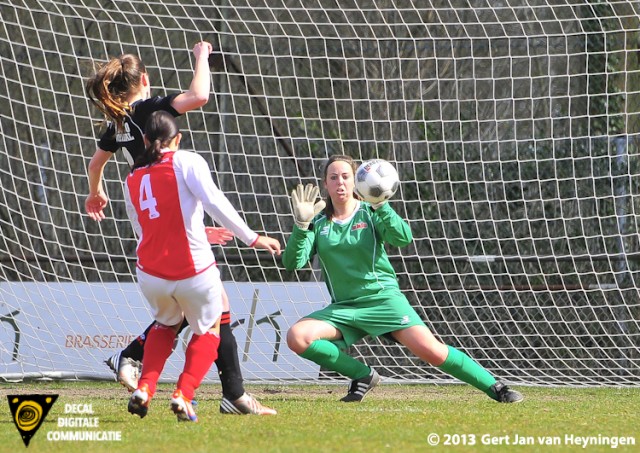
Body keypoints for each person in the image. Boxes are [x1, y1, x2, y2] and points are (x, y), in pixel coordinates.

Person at [85, 43, 277, 415]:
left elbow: (96, 164)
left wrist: (95, 194)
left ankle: (220, 391)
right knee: (210, 312)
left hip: (149, 216)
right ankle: (221, 394)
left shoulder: (118, 124)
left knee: (186, 312)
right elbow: (200, 95)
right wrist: (202, 56)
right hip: (172, 206)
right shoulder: (148, 111)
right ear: (144, 79)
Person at [282, 155, 523, 404]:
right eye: (333, 178)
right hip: (344, 308)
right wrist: (301, 226)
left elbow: (403, 237)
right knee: (298, 337)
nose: (340, 183)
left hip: (383, 300)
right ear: (325, 184)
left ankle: (496, 387)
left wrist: (382, 206)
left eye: (346, 177)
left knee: (431, 351)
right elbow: (292, 263)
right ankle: (363, 376)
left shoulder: (370, 210)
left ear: (356, 182)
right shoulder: (318, 222)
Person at [125, 111, 281, 421]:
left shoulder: (132, 178)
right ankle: (184, 394)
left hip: (150, 272)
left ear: (144, 141)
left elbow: (143, 228)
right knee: (212, 327)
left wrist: (197, 229)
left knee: (165, 325)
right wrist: (252, 238)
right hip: (191, 268)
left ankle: (144, 388)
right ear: (178, 139)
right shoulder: (186, 160)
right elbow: (214, 201)